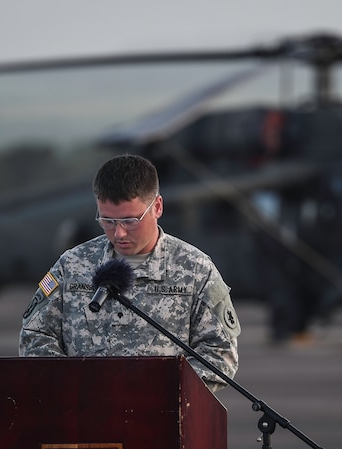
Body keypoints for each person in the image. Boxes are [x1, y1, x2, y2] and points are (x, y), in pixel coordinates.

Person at [19, 154, 240, 392]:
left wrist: (154, 391)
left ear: (157, 207)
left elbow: (220, 354)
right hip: (82, 416)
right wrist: (76, 388)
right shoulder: (72, 265)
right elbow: (35, 335)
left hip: (159, 418)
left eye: (130, 220)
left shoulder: (195, 269)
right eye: (107, 220)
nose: (119, 233)